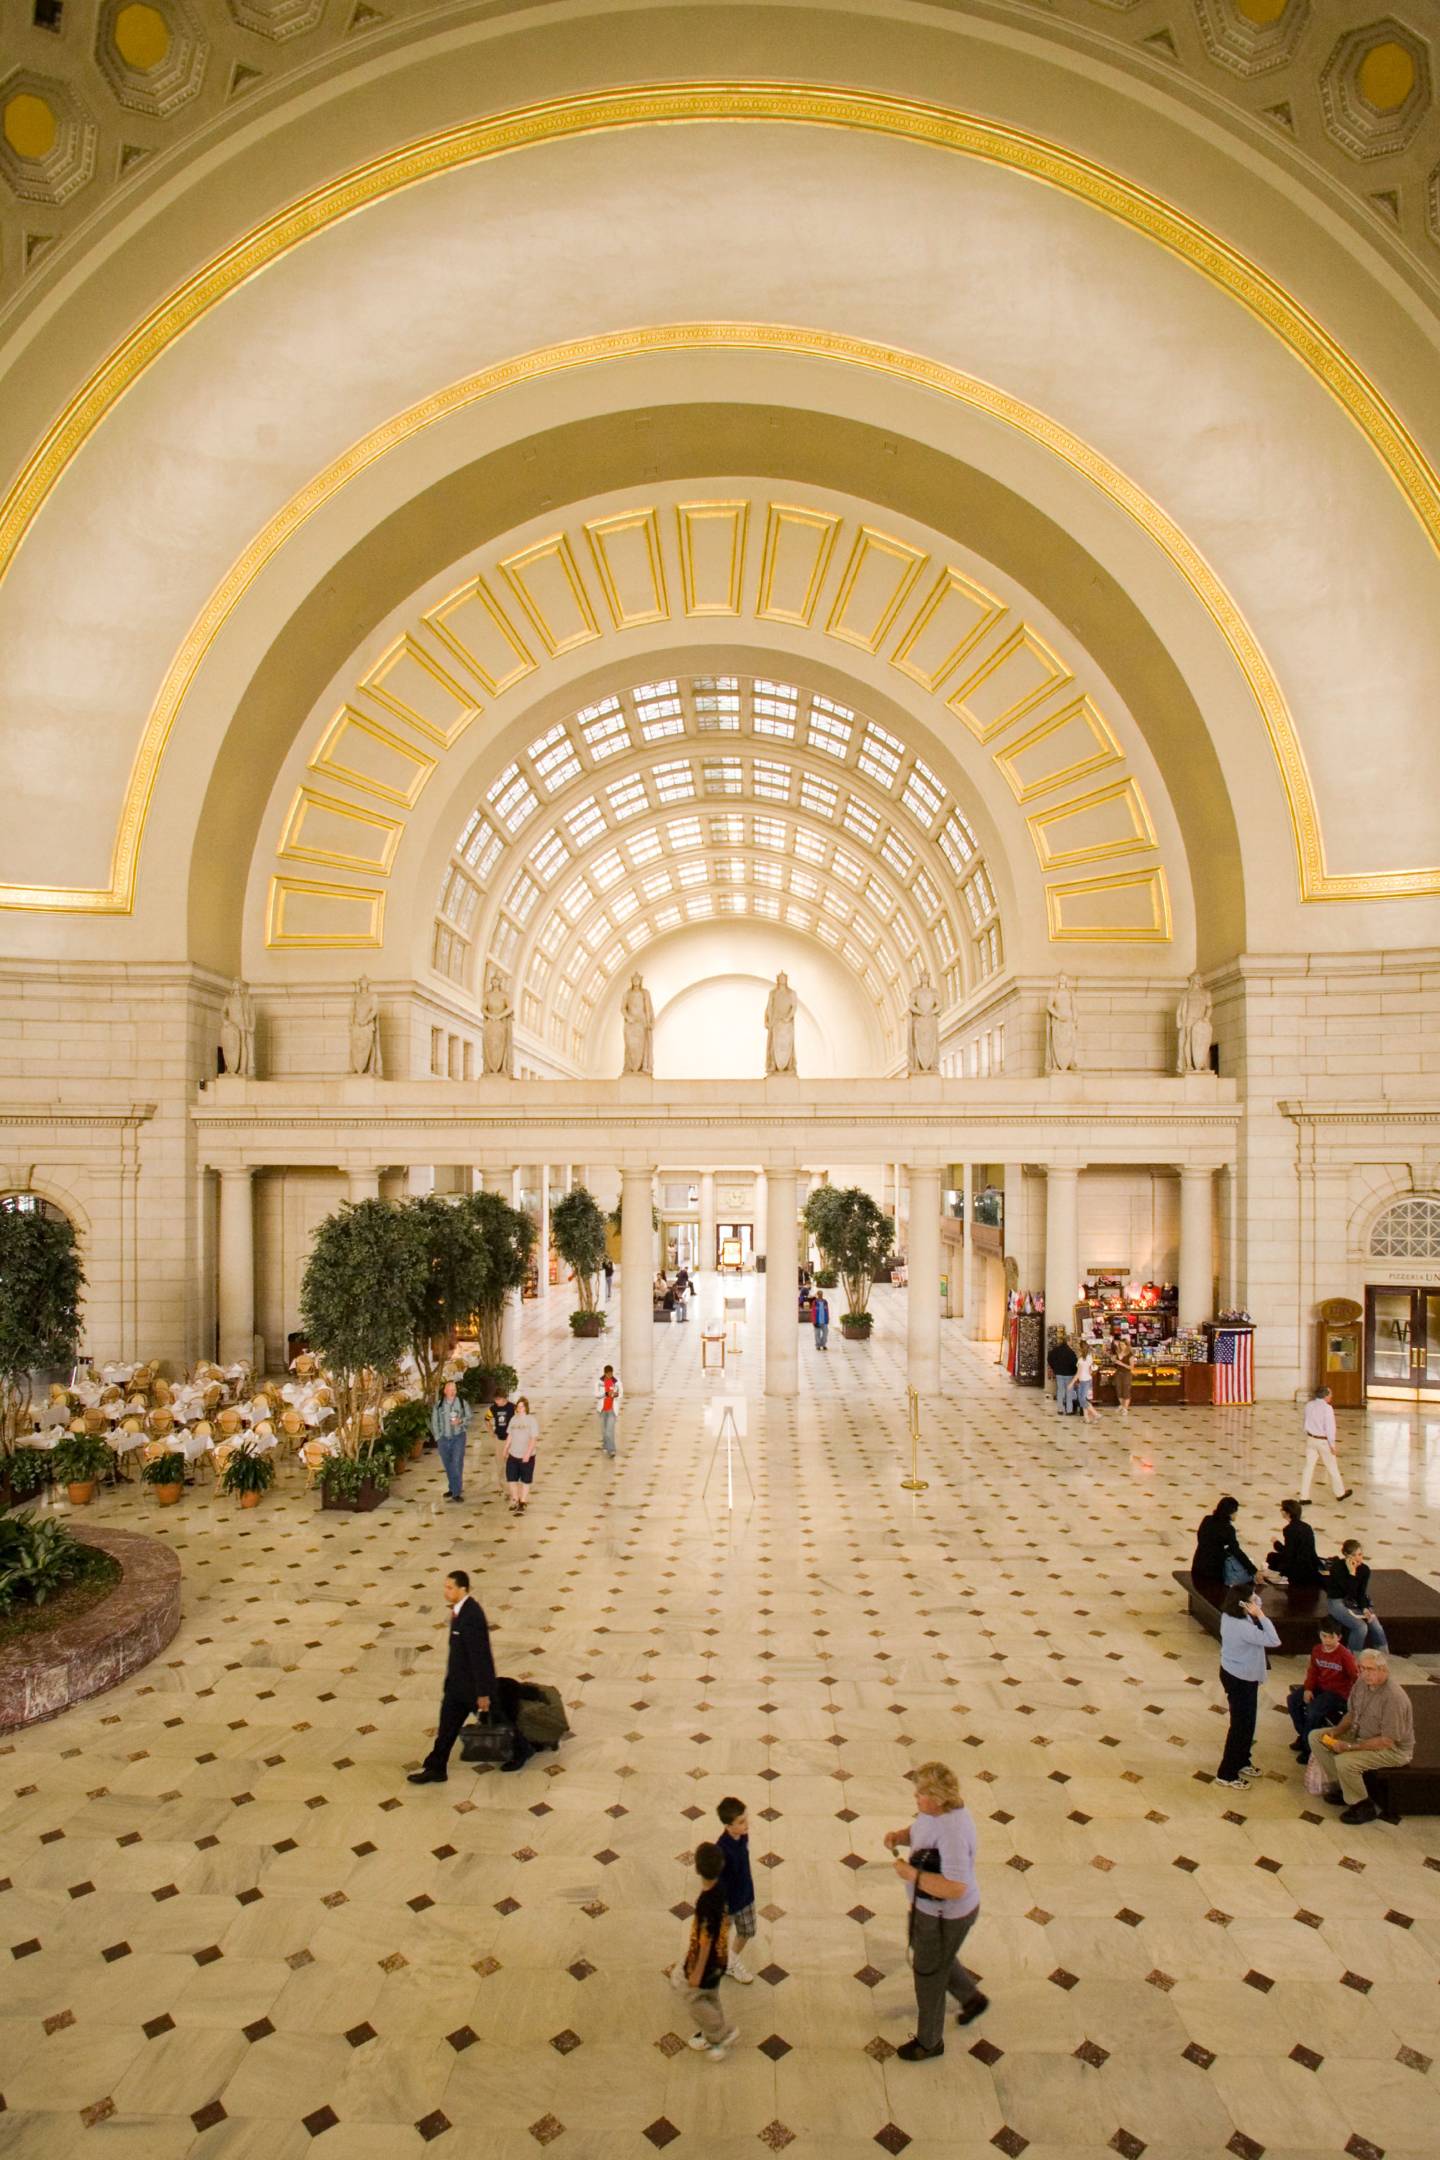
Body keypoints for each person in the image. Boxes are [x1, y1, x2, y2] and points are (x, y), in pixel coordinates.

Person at [883, 1759, 986, 2060]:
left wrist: (911, 1875)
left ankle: (929, 2042)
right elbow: (921, 1828)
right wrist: (901, 1837)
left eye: (921, 1795)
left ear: (938, 1798)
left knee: (928, 1975)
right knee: (932, 1955)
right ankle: (972, 1998)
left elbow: (956, 1887)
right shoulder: (937, 1812)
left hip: (944, 1917)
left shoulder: (953, 1833)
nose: (916, 1798)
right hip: (927, 1910)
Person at [1306, 1648, 1415, 1824]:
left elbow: (1387, 1740)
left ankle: (1362, 1805)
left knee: (1345, 1761)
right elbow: (1352, 1713)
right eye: (1362, 1668)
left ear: (1383, 1670)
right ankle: (1344, 1787)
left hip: (1392, 1749)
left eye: (1370, 1669)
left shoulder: (1394, 1698)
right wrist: (1336, 1731)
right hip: (1361, 1733)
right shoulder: (1361, 1684)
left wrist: (1349, 1747)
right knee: (1316, 1737)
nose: (1365, 1674)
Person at [407, 1568, 495, 1785]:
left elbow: (480, 1656)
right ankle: (436, 1768)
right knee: (446, 1729)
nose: (446, 1591)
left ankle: (523, 1749)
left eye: (450, 1587)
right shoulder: (459, 1611)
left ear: (462, 1589)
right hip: (457, 1686)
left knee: (497, 1721)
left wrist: (483, 1692)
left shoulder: (472, 1615)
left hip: (471, 1689)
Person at [1214, 1585, 1280, 1790]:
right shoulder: (1243, 1627)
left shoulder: (1229, 1615)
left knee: (1248, 1722)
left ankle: (1242, 1760)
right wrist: (1261, 1615)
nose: (1256, 1602)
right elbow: (1273, 1640)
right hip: (1240, 1678)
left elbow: (1256, 1600)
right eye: (1250, 1600)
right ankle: (1227, 1773)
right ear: (1242, 1604)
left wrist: (1252, 1604)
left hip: (1237, 1673)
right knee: (1240, 1726)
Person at [678, 1843, 739, 2059]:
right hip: (720, 1957)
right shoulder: (721, 1888)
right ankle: (711, 2032)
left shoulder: (705, 1902)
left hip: (706, 1961)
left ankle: (721, 2034)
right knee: (710, 1996)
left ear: (697, 1869)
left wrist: (697, 1971)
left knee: (692, 1997)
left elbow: (706, 1940)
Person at [1286, 1622, 1357, 1757]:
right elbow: (1313, 1671)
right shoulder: (1317, 1650)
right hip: (1321, 1686)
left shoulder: (1345, 1655)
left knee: (1314, 1710)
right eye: (1324, 1636)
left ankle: (1308, 1749)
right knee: (1293, 1700)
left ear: (1339, 1637)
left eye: (1331, 1637)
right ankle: (1304, 1736)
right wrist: (1308, 1689)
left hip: (1338, 1693)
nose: (1327, 1640)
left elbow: (1355, 1676)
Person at [715, 1796, 757, 1983]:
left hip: (746, 1896)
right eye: (741, 1822)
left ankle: (731, 1960)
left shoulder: (743, 1835)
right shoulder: (722, 1850)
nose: (746, 1824)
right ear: (727, 1825)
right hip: (727, 1903)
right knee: (720, 1933)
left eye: (746, 1818)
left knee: (747, 1931)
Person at [1326, 1538, 1387, 1653]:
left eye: (1360, 1554)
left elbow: (1360, 1593)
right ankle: (1353, 1657)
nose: (1359, 1558)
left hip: (1355, 1601)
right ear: (1347, 1555)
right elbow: (1349, 1592)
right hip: (1336, 1601)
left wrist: (1364, 1608)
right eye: (1355, 1555)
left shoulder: (1365, 1569)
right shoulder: (1337, 1568)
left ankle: (1383, 1655)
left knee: (1375, 1625)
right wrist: (1352, 1573)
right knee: (1360, 1628)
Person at [1191, 1495, 1260, 1589]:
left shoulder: (1207, 1519)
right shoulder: (1228, 1529)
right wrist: (1253, 1570)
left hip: (1197, 1564)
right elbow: (1236, 1551)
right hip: (1213, 1572)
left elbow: (1201, 1538)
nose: (1236, 1514)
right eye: (1236, 1512)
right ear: (1230, 1513)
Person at [1300, 1384, 1351, 1503]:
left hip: (1310, 1439)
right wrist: (1332, 1445)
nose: (1331, 1396)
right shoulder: (1327, 1408)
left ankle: (1304, 1496)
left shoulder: (1309, 1405)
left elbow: (1305, 1422)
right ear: (1325, 1396)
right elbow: (1330, 1429)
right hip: (1323, 1441)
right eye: (1330, 1394)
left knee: (1308, 1468)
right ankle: (1340, 1493)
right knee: (1332, 1468)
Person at [1266, 1497, 1325, 1586]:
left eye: (1282, 1509)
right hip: (1311, 1563)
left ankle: (1282, 1578)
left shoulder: (1289, 1529)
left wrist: (1276, 1543)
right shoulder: (1306, 1526)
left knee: (1271, 1557)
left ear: (1287, 1513)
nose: (1281, 1511)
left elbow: (1289, 1553)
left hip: (1298, 1566)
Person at [430, 1378, 468, 1503]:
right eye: (450, 1390)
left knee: (456, 1463)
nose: (452, 1392)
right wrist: (438, 1437)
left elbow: (469, 1417)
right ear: (445, 1391)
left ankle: (456, 1492)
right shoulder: (439, 1405)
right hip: (443, 1439)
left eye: (454, 1390)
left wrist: (461, 1421)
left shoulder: (462, 1403)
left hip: (458, 1437)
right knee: (448, 1464)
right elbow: (434, 1422)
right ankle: (452, 1488)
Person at [504, 1394, 539, 1514]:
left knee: (525, 1480)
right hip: (513, 1454)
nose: (519, 1409)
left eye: (521, 1407)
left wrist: (527, 1454)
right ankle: (515, 1499)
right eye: (518, 1407)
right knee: (511, 1479)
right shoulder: (513, 1419)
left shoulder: (531, 1420)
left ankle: (523, 1501)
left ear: (526, 1408)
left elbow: (533, 1439)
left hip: (527, 1456)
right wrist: (505, 1449)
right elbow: (510, 1435)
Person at [487, 1383, 517, 1491]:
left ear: (504, 1398)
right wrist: (491, 1431)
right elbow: (487, 1419)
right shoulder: (493, 1408)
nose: (496, 1402)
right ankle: (503, 1485)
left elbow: (521, 1419)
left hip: (512, 1440)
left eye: (498, 1400)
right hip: (499, 1439)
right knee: (500, 1463)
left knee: (512, 1463)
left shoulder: (513, 1407)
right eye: (495, 1400)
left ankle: (513, 1484)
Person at [1046, 1328, 1078, 1416]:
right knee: (1069, 1391)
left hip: (1059, 1373)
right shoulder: (1071, 1352)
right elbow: (1075, 1364)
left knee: (1060, 1391)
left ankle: (1060, 1409)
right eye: (1071, 1341)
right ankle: (1069, 1410)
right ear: (1068, 1341)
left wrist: (1054, 1368)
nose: (1072, 1342)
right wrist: (1075, 1372)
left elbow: (1049, 1358)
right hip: (1069, 1374)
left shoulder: (1056, 1350)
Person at [596, 1364, 621, 1456]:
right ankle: (605, 1445)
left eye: (611, 1373)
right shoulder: (599, 1382)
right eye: (608, 1374)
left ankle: (612, 1449)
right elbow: (596, 1395)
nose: (610, 1375)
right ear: (605, 1373)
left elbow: (620, 1393)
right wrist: (605, 1394)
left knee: (609, 1430)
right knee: (604, 1430)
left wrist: (615, 1394)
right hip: (602, 1410)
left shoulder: (617, 1382)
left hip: (612, 1409)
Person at [1074, 1346, 1100, 1423]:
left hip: (1083, 1381)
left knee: (1082, 1399)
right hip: (1089, 1380)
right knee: (1085, 1399)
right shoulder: (1090, 1358)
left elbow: (1078, 1373)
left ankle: (1095, 1414)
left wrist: (1072, 1383)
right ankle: (1086, 1417)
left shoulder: (1080, 1360)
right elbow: (1091, 1370)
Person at [1110, 1337, 1133, 1421]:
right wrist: (1113, 1360)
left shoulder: (1130, 1354)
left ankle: (1125, 1409)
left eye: (1123, 1345)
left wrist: (1121, 1363)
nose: (1121, 1346)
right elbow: (1114, 1361)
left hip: (1127, 1374)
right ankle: (1122, 1406)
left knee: (1126, 1390)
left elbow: (1131, 1367)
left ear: (1127, 1345)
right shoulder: (1117, 1353)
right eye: (1120, 1345)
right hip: (1118, 1374)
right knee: (1118, 1390)